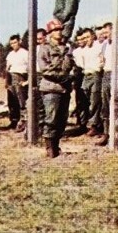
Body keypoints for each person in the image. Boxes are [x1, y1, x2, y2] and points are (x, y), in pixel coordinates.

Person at [35, 19, 75, 158]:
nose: (59, 32)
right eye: (55, 30)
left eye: (60, 29)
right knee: (51, 119)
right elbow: (45, 69)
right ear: (50, 33)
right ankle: (50, 148)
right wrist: (62, 77)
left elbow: (72, 64)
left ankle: (56, 145)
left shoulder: (67, 47)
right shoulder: (45, 48)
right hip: (51, 88)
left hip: (64, 88)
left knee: (62, 119)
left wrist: (72, 75)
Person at [4, 33, 28, 131]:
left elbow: (30, 68)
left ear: (19, 42)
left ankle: (23, 121)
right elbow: (7, 67)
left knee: (21, 100)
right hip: (11, 76)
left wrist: (26, 81)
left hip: (20, 76)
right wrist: (6, 81)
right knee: (12, 100)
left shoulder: (25, 53)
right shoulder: (10, 54)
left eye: (15, 42)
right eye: (11, 43)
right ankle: (14, 120)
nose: (13, 45)